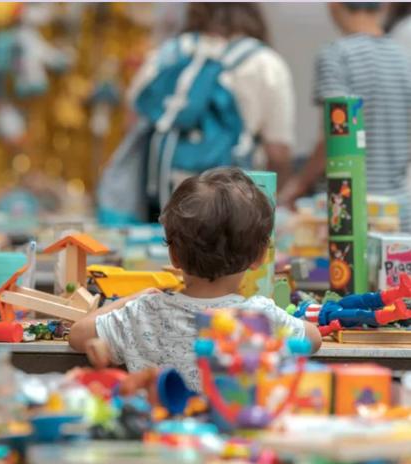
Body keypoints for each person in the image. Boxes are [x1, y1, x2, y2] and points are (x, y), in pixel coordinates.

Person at [70, 168, 322, 391]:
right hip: (236, 429)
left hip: (160, 428)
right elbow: (313, 339)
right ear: (260, 257)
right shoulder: (260, 317)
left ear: (174, 255)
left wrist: (133, 298)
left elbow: (78, 334)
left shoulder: (142, 312)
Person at [98, 3, 295, 225]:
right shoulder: (265, 63)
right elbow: (278, 152)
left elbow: (133, 123)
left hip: (160, 201)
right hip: (232, 214)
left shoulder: (167, 54)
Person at [279, 2, 411, 232]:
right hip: (397, 212)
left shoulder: (337, 55)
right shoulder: (404, 59)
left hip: (348, 209)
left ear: (334, 5)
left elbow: (335, 134)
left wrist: (298, 184)